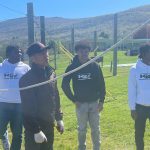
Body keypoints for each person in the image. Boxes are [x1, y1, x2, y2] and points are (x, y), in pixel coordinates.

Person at [62, 40, 106, 150]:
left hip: (94, 103)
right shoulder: (72, 67)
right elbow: (64, 84)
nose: (84, 54)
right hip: (80, 104)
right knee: (82, 129)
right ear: (77, 52)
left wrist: (101, 101)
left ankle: (97, 147)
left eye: (86, 51)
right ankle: (82, 147)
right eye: (81, 51)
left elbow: (102, 84)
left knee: (95, 128)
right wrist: (73, 99)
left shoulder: (95, 66)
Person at [19, 42, 64, 150]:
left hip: (49, 123)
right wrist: (36, 130)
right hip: (34, 128)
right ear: (33, 58)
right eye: (41, 53)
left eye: (46, 52)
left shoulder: (51, 73)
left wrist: (58, 118)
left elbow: (55, 97)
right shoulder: (26, 79)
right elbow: (27, 108)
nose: (46, 55)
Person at [0, 45, 30, 150]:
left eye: (20, 52)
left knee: (17, 134)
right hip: (3, 105)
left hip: (19, 106)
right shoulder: (1, 67)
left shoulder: (26, 68)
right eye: (16, 52)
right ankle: (4, 137)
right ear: (8, 54)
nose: (19, 54)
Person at [128, 43, 150, 150]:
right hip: (140, 108)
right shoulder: (134, 69)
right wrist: (132, 109)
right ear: (144, 54)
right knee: (139, 133)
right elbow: (131, 90)